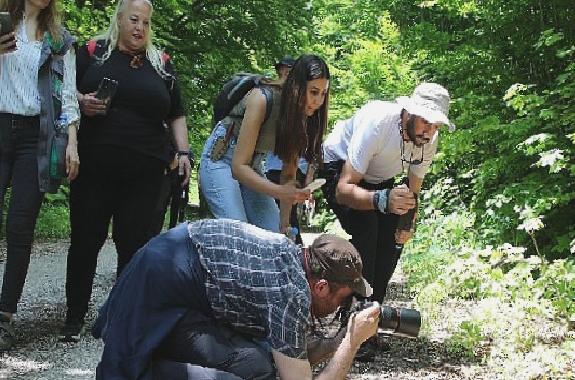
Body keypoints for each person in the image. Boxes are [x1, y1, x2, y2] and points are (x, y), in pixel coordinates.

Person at [92, 218, 380, 380]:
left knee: (257, 364)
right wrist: (351, 344)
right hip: (158, 289)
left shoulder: (290, 255)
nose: (344, 306)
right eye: (344, 298)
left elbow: (291, 354)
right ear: (320, 287)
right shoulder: (289, 294)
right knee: (127, 370)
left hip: (174, 267)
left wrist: (336, 341)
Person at [60, 0, 191, 342]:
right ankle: (74, 318)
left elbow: (176, 114)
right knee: (86, 240)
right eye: (134, 20)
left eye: (146, 23)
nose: (140, 28)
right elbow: (63, 92)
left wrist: (184, 151)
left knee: (133, 244)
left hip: (146, 171)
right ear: (118, 19)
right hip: (94, 167)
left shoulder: (161, 65)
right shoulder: (92, 52)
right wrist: (82, 100)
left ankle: (120, 317)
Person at [319, 82, 455, 359]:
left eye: (436, 125)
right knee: (367, 236)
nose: (429, 131)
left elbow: (413, 191)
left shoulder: (427, 139)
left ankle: (369, 321)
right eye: (425, 122)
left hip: (380, 180)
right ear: (408, 113)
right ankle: (351, 327)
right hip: (341, 170)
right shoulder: (379, 122)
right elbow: (344, 190)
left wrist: (406, 225)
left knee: (391, 245)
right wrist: (381, 201)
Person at [0, 0, 79, 351]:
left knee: (20, 226)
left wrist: (72, 142)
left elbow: (67, 97)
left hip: (36, 138)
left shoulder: (59, 41)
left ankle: (4, 316)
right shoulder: (2, 24)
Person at [199, 54, 330, 234]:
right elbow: (238, 167)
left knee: (275, 239)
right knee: (239, 234)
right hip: (222, 159)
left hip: (253, 166)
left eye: (323, 93)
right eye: (314, 92)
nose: (318, 101)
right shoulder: (262, 98)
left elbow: (288, 176)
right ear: (297, 86)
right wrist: (281, 192)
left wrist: (284, 225)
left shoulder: (303, 117)